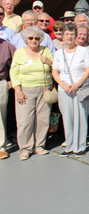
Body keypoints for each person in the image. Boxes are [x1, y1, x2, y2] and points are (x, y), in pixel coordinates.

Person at [10, 26, 53, 160]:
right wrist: (18, 90)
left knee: (43, 118)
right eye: (31, 38)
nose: (34, 40)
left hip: (45, 89)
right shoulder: (19, 52)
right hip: (25, 90)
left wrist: (49, 62)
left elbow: (55, 66)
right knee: (25, 120)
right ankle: (25, 148)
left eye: (37, 38)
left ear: (41, 39)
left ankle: (39, 146)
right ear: (26, 39)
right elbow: (14, 72)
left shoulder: (45, 51)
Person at [52, 24, 89, 158]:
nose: (69, 37)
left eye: (72, 34)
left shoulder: (83, 51)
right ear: (62, 36)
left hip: (80, 88)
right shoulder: (58, 53)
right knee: (67, 118)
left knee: (81, 118)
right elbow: (55, 72)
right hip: (65, 90)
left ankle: (80, 146)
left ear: (75, 36)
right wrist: (63, 84)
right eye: (67, 34)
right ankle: (69, 146)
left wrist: (77, 84)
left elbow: (88, 70)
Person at [0, 38, 16, 159]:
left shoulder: (6, 45)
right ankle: (1, 147)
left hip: (1, 81)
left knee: (2, 114)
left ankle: (3, 140)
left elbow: (17, 61)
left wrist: (11, 79)